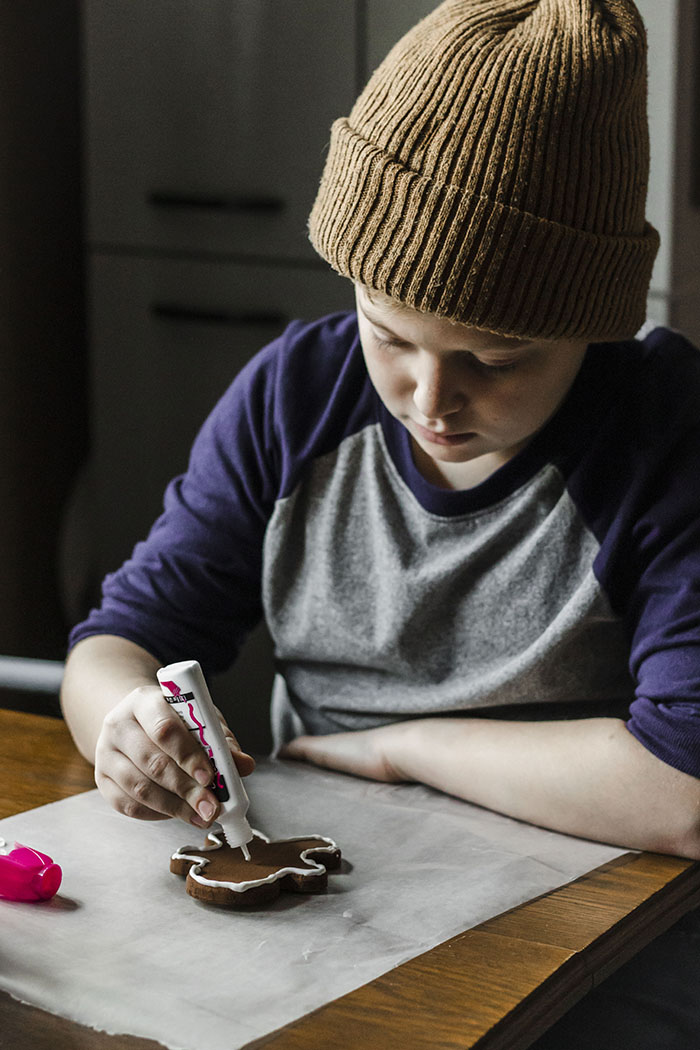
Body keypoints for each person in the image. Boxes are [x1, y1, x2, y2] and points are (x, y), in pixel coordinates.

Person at [62, 3, 700, 1043]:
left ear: (595, 324)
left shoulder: (666, 434)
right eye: (388, 334)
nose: (429, 399)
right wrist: (127, 722)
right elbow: (119, 642)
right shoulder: (293, 396)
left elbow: (681, 787)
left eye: (497, 362)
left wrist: (402, 751)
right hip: (343, 900)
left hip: (603, 920)